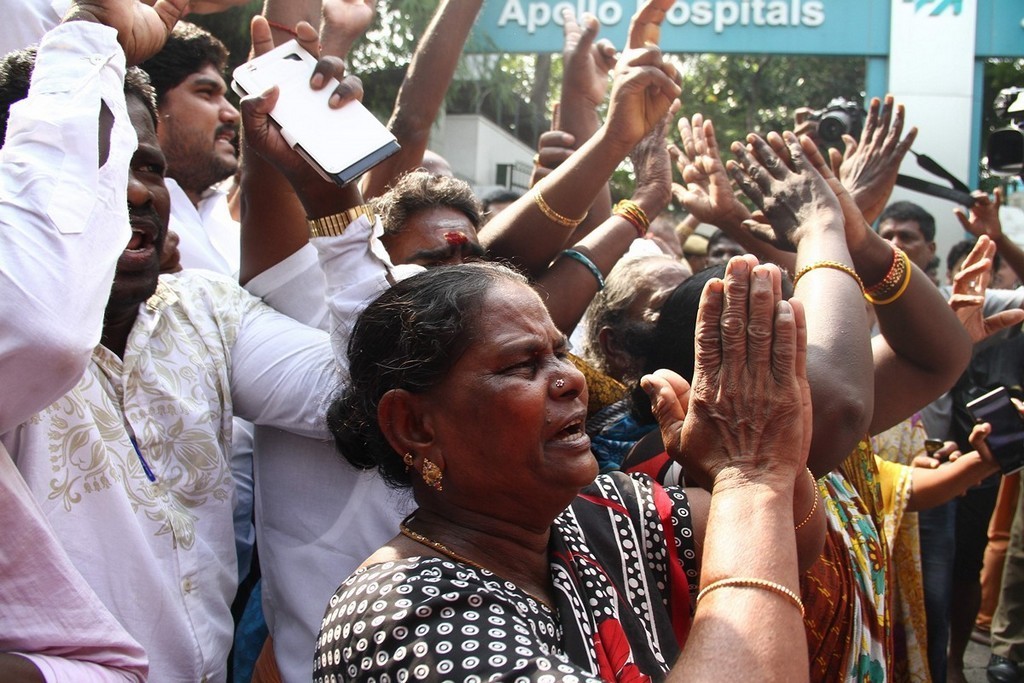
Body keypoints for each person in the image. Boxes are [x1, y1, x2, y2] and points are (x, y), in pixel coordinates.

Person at [315, 255, 821, 682]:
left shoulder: (603, 510)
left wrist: (766, 463)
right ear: (414, 426)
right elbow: (758, 516)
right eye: (522, 365)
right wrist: (752, 476)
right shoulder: (403, 618)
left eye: (561, 352)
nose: (570, 381)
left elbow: (792, 542)